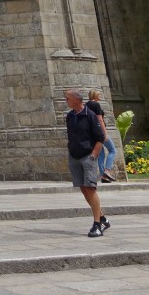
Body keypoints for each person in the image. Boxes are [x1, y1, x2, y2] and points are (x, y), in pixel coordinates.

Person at [64, 88, 109, 237]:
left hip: (87, 156)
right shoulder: (70, 116)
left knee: (90, 188)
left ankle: (97, 224)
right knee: (83, 188)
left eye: (68, 99)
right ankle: (102, 218)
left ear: (77, 100)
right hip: (74, 156)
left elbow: (100, 137)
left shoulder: (89, 115)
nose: (66, 101)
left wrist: (94, 155)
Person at [87, 88, 116, 182]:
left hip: (92, 133)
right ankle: (107, 171)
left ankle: (103, 176)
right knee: (112, 150)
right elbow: (100, 120)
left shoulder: (86, 105)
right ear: (95, 95)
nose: (100, 96)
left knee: (101, 154)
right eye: (98, 95)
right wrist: (105, 133)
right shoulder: (96, 105)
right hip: (100, 132)